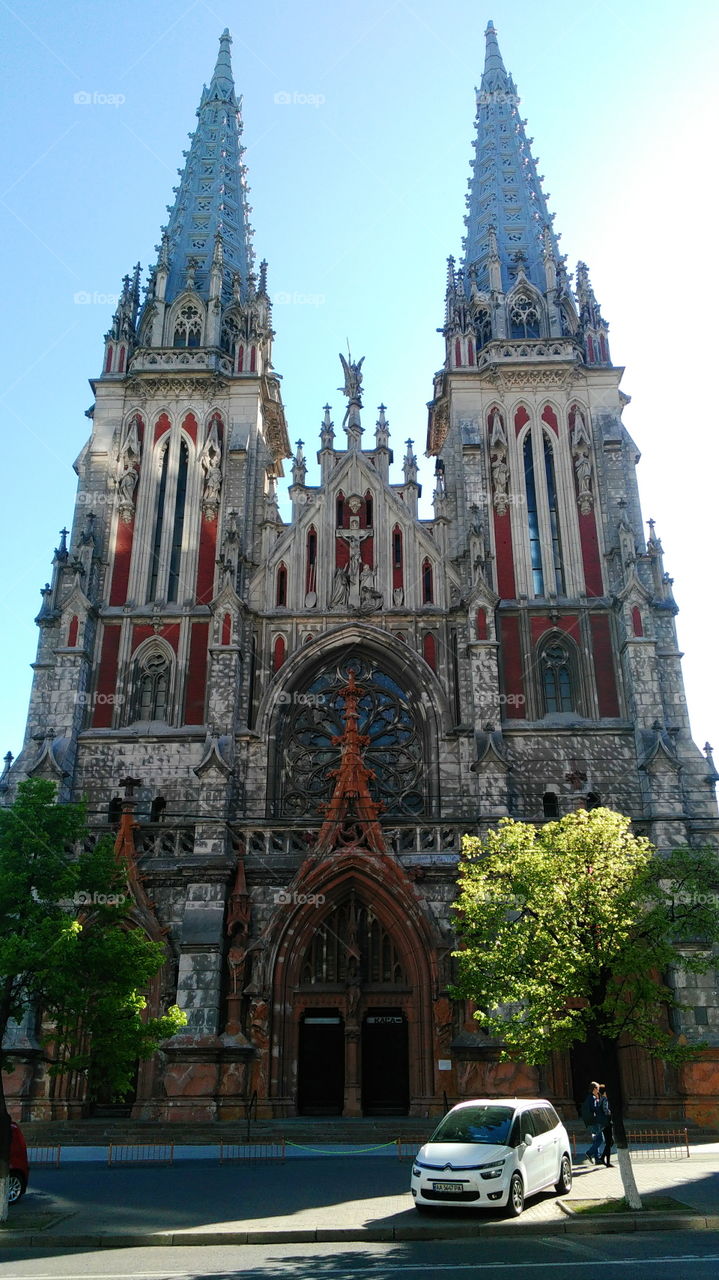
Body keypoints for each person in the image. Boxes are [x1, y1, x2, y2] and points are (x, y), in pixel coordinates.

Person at [580, 1080, 603, 1164]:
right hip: (595, 1121)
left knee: (596, 1139)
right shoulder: (592, 1098)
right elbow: (594, 1109)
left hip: (591, 1121)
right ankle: (589, 1153)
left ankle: (597, 1159)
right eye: (598, 1088)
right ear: (594, 1089)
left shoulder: (589, 1097)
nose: (599, 1090)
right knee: (600, 1139)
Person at [598, 1084, 614, 1167]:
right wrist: (611, 1112)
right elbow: (606, 1110)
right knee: (609, 1142)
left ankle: (604, 1159)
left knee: (609, 1142)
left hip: (603, 1124)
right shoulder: (605, 1099)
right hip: (607, 1123)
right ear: (604, 1092)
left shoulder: (600, 1099)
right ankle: (606, 1161)